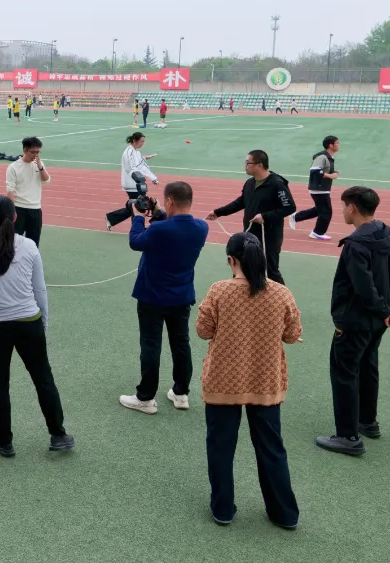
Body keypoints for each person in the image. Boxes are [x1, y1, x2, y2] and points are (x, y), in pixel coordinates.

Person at [196, 233, 301, 528]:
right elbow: (292, 335)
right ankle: (285, 513)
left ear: (232, 261)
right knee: (271, 447)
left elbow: (204, 330)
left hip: (222, 382)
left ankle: (223, 509)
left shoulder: (219, 291)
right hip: (265, 381)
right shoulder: (281, 293)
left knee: (220, 445)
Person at [0, 195, 74, 456]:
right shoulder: (30, 246)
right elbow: (40, 289)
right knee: (43, 379)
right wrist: (43, 320)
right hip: (28, 322)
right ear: (16, 217)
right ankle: (58, 434)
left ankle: (4, 440)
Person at [118, 182, 209, 414]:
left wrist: (138, 216)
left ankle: (146, 397)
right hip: (181, 296)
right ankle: (181, 393)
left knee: (151, 344)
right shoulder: (201, 227)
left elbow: (136, 241)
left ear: (169, 201)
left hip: (152, 296)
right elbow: (173, 229)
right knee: (181, 344)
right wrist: (158, 214)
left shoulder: (159, 230)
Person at [316, 186, 390, 456]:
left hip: (356, 319)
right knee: (368, 365)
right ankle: (367, 421)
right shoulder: (385, 232)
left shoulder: (356, 244)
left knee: (345, 372)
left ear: (353, 209)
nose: (343, 210)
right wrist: (385, 311)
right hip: (378, 321)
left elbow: (363, 286)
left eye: (344, 205)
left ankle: (348, 436)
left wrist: (382, 308)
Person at [206, 150, 296, 285]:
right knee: (245, 266)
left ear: (259, 165)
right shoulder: (249, 183)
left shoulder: (277, 184)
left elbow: (289, 207)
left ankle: (283, 299)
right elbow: (240, 202)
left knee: (270, 269)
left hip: (269, 236)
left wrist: (265, 216)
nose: (245, 166)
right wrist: (218, 212)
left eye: (248, 163)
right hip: (250, 234)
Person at [105, 132, 159, 230]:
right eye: (141, 141)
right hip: (132, 184)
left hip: (137, 183)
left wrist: (152, 176)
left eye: (143, 141)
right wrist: (147, 178)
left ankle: (111, 218)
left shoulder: (135, 152)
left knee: (136, 205)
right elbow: (131, 167)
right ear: (135, 141)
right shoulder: (128, 152)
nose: (143, 143)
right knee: (139, 205)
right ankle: (136, 228)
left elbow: (138, 163)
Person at [290, 135, 340, 241]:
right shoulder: (322, 157)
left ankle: (296, 217)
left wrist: (333, 173)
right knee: (326, 211)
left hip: (322, 188)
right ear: (331, 145)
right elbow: (315, 171)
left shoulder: (329, 157)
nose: (339, 145)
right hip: (319, 188)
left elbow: (323, 171)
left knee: (319, 210)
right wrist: (332, 176)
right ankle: (317, 232)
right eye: (337, 143)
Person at [5, 137, 51, 247]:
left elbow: (47, 180)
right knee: (14, 242)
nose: (36, 155)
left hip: (35, 209)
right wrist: (12, 211)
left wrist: (41, 167)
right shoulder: (13, 167)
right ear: (25, 150)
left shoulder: (39, 164)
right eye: (33, 152)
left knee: (33, 244)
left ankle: (30, 264)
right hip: (18, 208)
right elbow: (10, 190)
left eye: (38, 152)